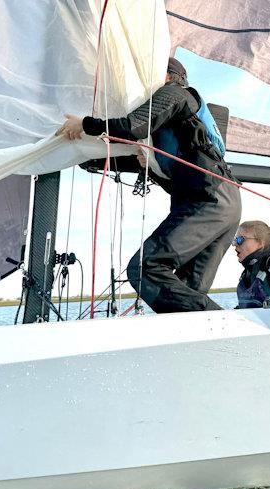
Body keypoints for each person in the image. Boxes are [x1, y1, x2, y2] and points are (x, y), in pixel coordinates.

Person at [56, 57, 241, 313]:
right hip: (223, 201)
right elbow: (181, 183)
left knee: (145, 268)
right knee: (186, 291)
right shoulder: (177, 128)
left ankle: (223, 326)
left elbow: (131, 127)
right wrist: (151, 168)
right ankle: (216, 341)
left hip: (209, 199)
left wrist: (85, 124)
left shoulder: (175, 93)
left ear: (165, 77)